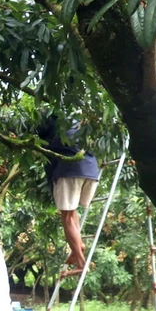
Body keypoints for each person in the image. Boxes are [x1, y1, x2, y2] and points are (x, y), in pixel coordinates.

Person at [37, 114, 101, 277]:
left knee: (66, 217)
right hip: (92, 171)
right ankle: (77, 246)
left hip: (69, 170)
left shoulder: (51, 120)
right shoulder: (79, 121)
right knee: (72, 212)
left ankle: (81, 263)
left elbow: (37, 134)